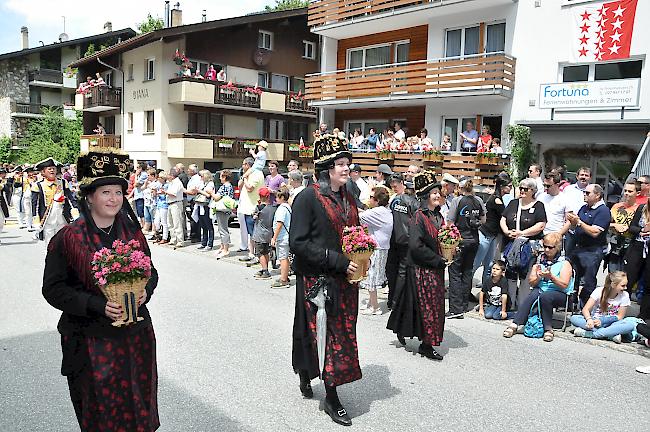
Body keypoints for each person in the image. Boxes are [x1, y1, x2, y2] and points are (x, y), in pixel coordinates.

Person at [42, 147, 159, 431]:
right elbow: (53, 289)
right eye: (106, 192)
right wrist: (96, 305)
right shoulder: (68, 238)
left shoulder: (132, 232)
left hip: (135, 339)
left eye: (118, 192)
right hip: (90, 342)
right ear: (89, 196)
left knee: (138, 411)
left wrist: (146, 290)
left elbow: (151, 272)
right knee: (100, 417)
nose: (114, 199)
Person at [290, 134, 361, 426]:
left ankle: (308, 373)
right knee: (324, 335)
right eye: (340, 164)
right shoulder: (308, 197)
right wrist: (337, 260)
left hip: (345, 279)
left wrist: (361, 252)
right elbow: (298, 243)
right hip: (318, 280)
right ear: (326, 168)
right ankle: (331, 397)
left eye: (347, 163)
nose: (346, 168)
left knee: (339, 335)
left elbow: (353, 231)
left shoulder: (349, 194)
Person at [387, 170, 446, 361]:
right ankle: (426, 346)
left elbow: (443, 240)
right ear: (425, 196)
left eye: (438, 192)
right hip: (422, 270)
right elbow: (415, 246)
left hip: (435, 269)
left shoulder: (439, 216)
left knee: (429, 308)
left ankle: (423, 341)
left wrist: (452, 249)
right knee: (427, 309)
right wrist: (437, 259)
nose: (437, 195)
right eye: (433, 192)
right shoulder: (419, 217)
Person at [503, 232, 573, 342]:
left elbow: (564, 284)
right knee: (534, 293)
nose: (547, 249)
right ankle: (515, 324)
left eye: (550, 247)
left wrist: (551, 277)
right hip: (542, 290)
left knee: (545, 296)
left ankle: (548, 329)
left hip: (560, 293)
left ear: (557, 248)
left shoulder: (564, 263)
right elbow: (531, 282)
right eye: (545, 246)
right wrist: (539, 277)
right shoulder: (540, 260)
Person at [500, 177, 547, 309]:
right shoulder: (514, 203)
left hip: (529, 246)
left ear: (532, 191)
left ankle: (522, 307)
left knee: (525, 277)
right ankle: (509, 305)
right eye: (520, 188)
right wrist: (507, 231)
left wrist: (522, 233)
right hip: (511, 244)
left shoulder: (538, 206)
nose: (521, 191)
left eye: (525, 189)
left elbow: (540, 225)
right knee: (510, 274)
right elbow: (503, 219)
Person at [446, 178, 486, 318]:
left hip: (460, 240)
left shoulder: (457, 201)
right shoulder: (478, 200)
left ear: (460, 188)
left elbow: (450, 221)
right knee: (468, 271)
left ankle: (455, 309)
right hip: (474, 240)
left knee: (455, 272)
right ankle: (463, 305)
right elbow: (483, 219)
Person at [566, 183, 611, 305]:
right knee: (572, 275)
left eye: (587, 193)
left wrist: (579, 222)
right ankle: (571, 302)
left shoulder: (603, 211)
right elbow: (576, 224)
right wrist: (572, 221)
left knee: (588, 280)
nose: (584, 195)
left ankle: (586, 306)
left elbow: (595, 232)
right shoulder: (584, 208)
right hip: (578, 247)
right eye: (584, 192)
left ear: (597, 195)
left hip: (592, 250)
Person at [385, 174, 420, 309]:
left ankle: (392, 300)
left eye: (395, 185)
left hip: (395, 239)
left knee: (394, 270)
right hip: (405, 240)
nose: (394, 188)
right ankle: (396, 302)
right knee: (401, 271)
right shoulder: (412, 202)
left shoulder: (395, 200)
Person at [571, 271, 636, 342]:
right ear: (613, 285)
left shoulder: (625, 295)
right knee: (574, 318)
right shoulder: (599, 291)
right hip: (594, 321)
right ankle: (610, 335)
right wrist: (589, 319)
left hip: (611, 323)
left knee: (630, 325)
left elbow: (620, 316)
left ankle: (592, 334)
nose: (625, 288)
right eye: (623, 286)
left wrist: (603, 321)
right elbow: (585, 309)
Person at [473, 172, 512, 285]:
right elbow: (506, 216)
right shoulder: (497, 200)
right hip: (485, 235)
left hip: (492, 236)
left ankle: (486, 288)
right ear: (502, 187)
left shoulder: (497, 198)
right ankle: (465, 289)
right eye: (509, 186)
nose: (510, 188)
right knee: (476, 263)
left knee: (489, 265)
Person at [359, 187, 393, 314]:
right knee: (371, 276)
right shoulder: (384, 211)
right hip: (381, 247)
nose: (369, 200)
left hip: (377, 248)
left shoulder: (377, 211)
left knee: (371, 277)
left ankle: (375, 307)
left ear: (377, 200)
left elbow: (360, 216)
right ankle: (370, 304)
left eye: (371, 198)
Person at [34, 158, 74, 243]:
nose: (52, 171)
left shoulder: (63, 182)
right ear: (43, 172)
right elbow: (35, 204)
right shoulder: (38, 185)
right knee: (49, 242)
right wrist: (36, 221)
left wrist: (75, 212)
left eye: (54, 169)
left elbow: (70, 199)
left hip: (62, 217)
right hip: (48, 219)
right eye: (49, 169)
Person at [624, 199, 650, 320]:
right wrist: (641, 231)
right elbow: (632, 228)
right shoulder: (642, 209)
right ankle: (620, 311)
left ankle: (644, 316)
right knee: (628, 280)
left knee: (648, 285)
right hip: (637, 248)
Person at [608, 180, 640, 272]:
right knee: (613, 274)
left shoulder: (641, 209)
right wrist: (614, 225)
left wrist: (629, 228)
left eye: (630, 191)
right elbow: (605, 223)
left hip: (631, 245)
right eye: (625, 191)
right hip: (615, 244)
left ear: (637, 193)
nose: (626, 193)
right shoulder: (616, 206)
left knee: (625, 275)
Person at [238, 157, 265, 262]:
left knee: (254, 233)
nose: (242, 166)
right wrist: (244, 177)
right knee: (251, 233)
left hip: (252, 208)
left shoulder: (256, 174)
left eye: (243, 164)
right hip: (245, 207)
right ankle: (251, 253)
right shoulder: (249, 174)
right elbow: (240, 186)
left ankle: (258, 255)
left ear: (248, 165)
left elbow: (250, 188)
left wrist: (245, 177)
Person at [251, 187, 275, 280]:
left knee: (260, 253)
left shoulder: (259, 207)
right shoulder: (273, 208)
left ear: (260, 196)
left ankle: (265, 270)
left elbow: (254, 216)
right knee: (266, 251)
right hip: (269, 233)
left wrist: (256, 208)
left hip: (259, 233)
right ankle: (266, 267)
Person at [210, 169, 234, 259]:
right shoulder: (229, 186)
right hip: (226, 210)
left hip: (222, 209)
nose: (219, 178)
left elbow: (216, 197)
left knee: (223, 229)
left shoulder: (224, 186)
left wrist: (211, 192)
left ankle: (226, 249)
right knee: (222, 228)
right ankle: (222, 246)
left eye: (221, 176)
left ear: (224, 177)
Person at [271, 187, 292, 288]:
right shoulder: (288, 207)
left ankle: (283, 280)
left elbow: (279, 223)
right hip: (286, 236)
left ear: (282, 197)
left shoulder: (282, 209)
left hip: (282, 237)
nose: (276, 199)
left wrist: (274, 238)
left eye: (277, 197)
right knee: (284, 258)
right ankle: (285, 276)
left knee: (283, 258)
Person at [538, 171, 570, 236]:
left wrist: (558, 234)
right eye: (544, 185)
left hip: (556, 233)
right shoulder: (540, 197)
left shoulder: (565, 198)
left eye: (548, 186)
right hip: (540, 234)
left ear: (557, 184)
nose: (546, 188)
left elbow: (569, 221)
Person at [194, 170, 215, 251]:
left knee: (209, 225)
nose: (200, 178)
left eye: (202, 176)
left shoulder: (210, 184)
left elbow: (208, 195)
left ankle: (209, 244)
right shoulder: (202, 183)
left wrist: (199, 191)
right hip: (200, 205)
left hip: (207, 206)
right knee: (203, 225)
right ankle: (204, 242)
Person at [164, 168, 185, 248]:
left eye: (168, 175)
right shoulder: (171, 183)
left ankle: (180, 240)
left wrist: (165, 192)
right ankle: (173, 239)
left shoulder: (177, 183)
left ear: (172, 175)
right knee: (170, 223)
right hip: (170, 203)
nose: (167, 176)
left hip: (176, 204)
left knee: (177, 223)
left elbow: (174, 194)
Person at [153, 171, 170, 244]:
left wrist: (158, 193)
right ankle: (158, 235)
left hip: (164, 205)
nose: (158, 179)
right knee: (156, 221)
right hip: (159, 205)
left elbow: (164, 196)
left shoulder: (167, 185)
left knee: (164, 222)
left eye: (160, 177)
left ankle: (165, 237)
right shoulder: (159, 185)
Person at [131, 163, 149, 228]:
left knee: (141, 211)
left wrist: (136, 175)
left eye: (138, 167)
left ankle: (144, 225)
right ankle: (142, 224)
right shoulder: (140, 175)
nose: (137, 169)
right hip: (137, 195)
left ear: (141, 168)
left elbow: (136, 184)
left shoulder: (144, 174)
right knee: (139, 212)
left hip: (141, 195)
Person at [142, 168, 158, 234]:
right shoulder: (148, 183)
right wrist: (145, 184)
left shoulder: (156, 183)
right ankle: (146, 228)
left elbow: (155, 193)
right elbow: (142, 188)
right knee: (147, 216)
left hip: (152, 202)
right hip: (146, 202)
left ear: (153, 176)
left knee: (153, 217)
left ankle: (154, 230)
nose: (147, 177)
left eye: (148, 175)